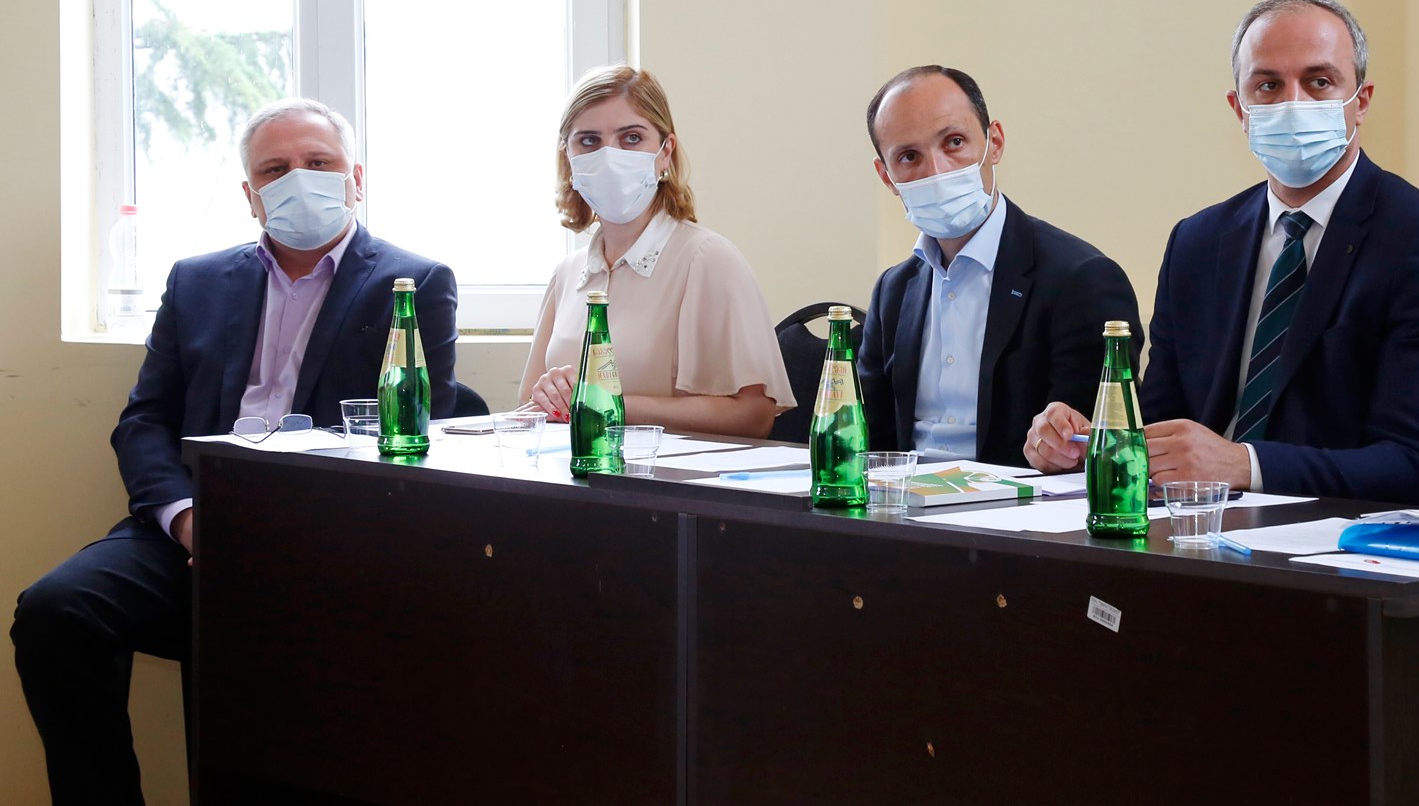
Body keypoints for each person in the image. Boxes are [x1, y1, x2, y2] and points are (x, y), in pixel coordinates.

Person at [12, 99, 458, 806]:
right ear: (250, 195)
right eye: (275, 169)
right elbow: (144, 420)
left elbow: (415, 431)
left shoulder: (414, 282)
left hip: (325, 541)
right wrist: (189, 519)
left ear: (356, 179)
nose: (298, 179)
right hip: (196, 524)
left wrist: (290, 531)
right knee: (55, 611)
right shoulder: (195, 280)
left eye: (318, 162)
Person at [1025, 0, 1419, 499]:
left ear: (1361, 101)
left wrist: (1247, 465)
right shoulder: (1197, 242)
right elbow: (1162, 423)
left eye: (1319, 82)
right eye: (1268, 85)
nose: (1293, 103)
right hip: (1193, 525)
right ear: (1239, 109)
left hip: (1333, 534)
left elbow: (1416, 464)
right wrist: (1094, 445)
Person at [857, 65, 1143, 470]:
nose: (937, 171)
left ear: (995, 143)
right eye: (909, 157)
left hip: (1014, 502)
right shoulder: (893, 290)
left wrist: (1057, 445)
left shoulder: (1081, 279)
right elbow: (869, 440)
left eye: (954, 142)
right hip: (902, 499)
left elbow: (1090, 447)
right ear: (886, 176)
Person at [519, 65, 793, 436]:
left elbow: (754, 416)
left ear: (665, 152)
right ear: (568, 156)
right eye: (589, 141)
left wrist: (609, 406)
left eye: (631, 138)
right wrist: (552, 396)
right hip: (574, 465)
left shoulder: (708, 259)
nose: (609, 156)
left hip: (666, 471)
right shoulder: (567, 273)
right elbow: (529, 405)